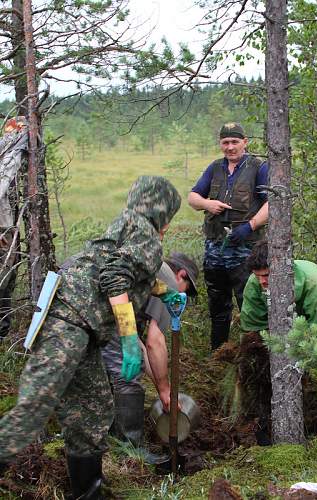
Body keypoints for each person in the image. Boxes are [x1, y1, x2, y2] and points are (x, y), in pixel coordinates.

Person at [0, 175, 182, 500]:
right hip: (68, 321)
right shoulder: (147, 236)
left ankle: (88, 493)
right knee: (34, 407)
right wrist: (129, 339)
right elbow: (114, 276)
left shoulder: (128, 224)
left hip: (80, 327)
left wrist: (164, 291)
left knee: (92, 409)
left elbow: (115, 267)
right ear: (163, 210)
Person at [102, 252, 199, 462]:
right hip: (100, 309)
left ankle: (107, 440)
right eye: (187, 291)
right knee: (127, 376)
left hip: (80, 299)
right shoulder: (169, 283)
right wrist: (165, 390)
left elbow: (142, 347)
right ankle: (130, 450)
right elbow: (155, 342)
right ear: (181, 276)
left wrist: (163, 390)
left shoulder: (150, 268)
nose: (183, 298)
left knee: (99, 374)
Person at [239, 240, 317, 444]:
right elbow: (252, 331)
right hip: (280, 337)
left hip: (314, 330)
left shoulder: (315, 284)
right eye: (258, 276)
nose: (262, 281)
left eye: (266, 275)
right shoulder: (255, 285)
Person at [188, 122, 268, 350]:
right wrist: (207, 204)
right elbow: (192, 197)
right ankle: (218, 354)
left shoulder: (258, 167)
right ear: (220, 144)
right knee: (218, 306)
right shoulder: (214, 168)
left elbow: (271, 204)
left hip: (246, 251)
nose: (230, 147)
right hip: (215, 249)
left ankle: (254, 354)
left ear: (245, 142)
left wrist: (249, 227)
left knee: (249, 304)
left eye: (235, 142)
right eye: (225, 142)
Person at [0, 117, 28, 340]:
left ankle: (2, 331)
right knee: (4, 279)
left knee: (6, 280)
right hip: (2, 229)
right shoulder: (7, 157)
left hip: (4, 227)